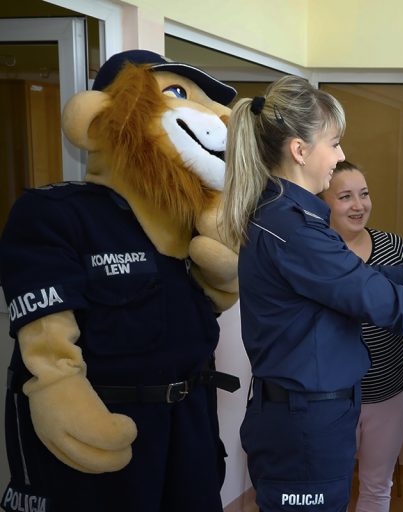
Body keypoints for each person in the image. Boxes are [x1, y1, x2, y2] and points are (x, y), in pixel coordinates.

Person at [219, 77, 403, 512]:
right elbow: (389, 306)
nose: (340, 155)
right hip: (306, 424)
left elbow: (365, 279)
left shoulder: (291, 217)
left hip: (314, 416)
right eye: (335, 143)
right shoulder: (293, 229)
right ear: (300, 151)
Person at [0, 50, 240, 512]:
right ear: (100, 118)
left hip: (189, 426)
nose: (216, 116)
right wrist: (57, 389)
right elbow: (45, 328)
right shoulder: (57, 213)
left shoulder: (187, 220)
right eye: (174, 93)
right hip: (107, 427)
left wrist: (222, 281)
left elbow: (197, 312)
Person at [319, 160, 403, 512]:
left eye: (364, 194)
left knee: (377, 486)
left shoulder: (393, 247)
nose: (359, 205)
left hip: (389, 393)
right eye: (345, 196)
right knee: (327, 488)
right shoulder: (316, 253)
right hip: (330, 398)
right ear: (322, 202)